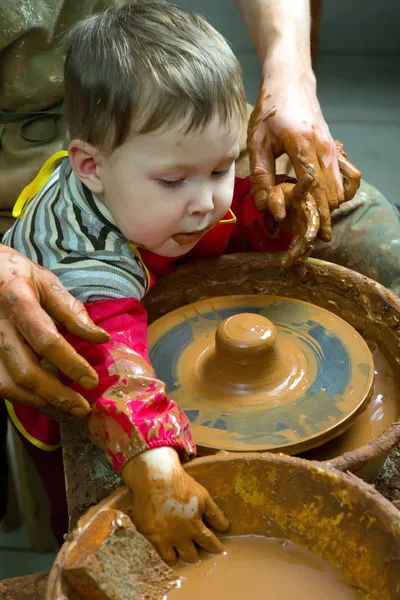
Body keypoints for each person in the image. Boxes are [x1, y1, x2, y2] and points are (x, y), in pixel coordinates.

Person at [1, 2, 360, 561]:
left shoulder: (167, 188)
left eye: (219, 168)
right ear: (90, 167)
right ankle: (60, 540)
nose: (205, 201)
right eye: (175, 180)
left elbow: (228, 213)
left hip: (143, 267)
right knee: (81, 496)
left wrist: (275, 216)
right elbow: (112, 369)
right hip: (64, 374)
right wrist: (157, 473)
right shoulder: (81, 260)